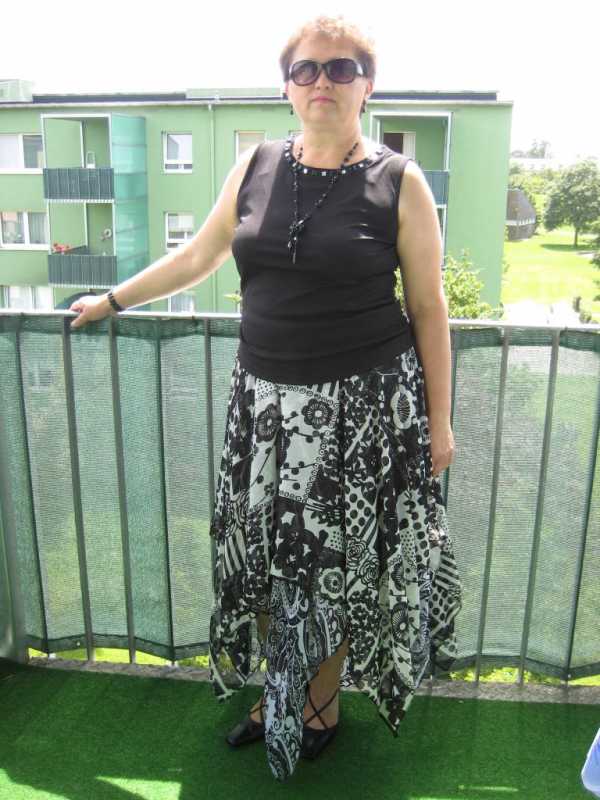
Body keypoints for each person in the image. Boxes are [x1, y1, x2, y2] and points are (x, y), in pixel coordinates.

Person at [70, 13, 464, 784]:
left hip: (361, 414)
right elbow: (198, 255)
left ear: (367, 86)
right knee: (261, 560)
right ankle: (279, 690)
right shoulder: (254, 165)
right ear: (287, 86)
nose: (323, 82)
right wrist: (113, 300)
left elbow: (429, 308)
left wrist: (439, 424)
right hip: (262, 410)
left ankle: (318, 705)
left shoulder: (399, 182)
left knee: (335, 567)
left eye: (342, 69)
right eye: (307, 69)